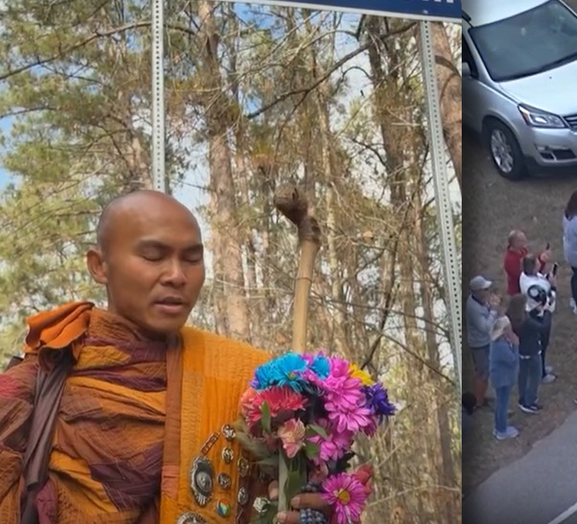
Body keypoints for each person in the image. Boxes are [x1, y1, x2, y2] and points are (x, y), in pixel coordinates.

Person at [0, 190, 339, 523]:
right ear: (99, 265)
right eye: (153, 256)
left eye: (192, 259)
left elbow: (266, 503)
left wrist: (305, 504)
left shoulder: (243, 378)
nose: (177, 275)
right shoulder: (43, 376)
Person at [507, 295, 548, 415]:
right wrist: (546, 314)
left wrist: (536, 309)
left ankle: (522, 398)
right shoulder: (527, 322)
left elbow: (528, 315)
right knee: (536, 375)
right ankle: (530, 401)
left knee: (523, 375)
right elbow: (543, 328)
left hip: (521, 350)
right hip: (533, 350)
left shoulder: (512, 317)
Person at [466, 275, 502, 409]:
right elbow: (485, 328)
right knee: (483, 373)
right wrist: (493, 310)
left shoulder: (480, 300)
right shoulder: (473, 308)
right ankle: (478, 402)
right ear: (478, 291)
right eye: (485, 289)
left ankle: (480, 397)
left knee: (483, 371)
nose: (488, 291)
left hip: (485, 342)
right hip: (479, 345)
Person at [520, 255, 557, 384]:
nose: (540, 265)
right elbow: (547, 300)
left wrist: (547, 279)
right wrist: (553, 287)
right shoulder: (532, 288)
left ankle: (541, 367)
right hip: (539, 316)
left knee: (543, 345)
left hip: (542, 313)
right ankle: (541, 373)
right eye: (537, 263)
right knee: (541, 345)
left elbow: (541, 281)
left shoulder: (528, 275)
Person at [487, 316, 520, 441]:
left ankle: (498, 427)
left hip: (500, 377)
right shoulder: (500, 345)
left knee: (500, 403)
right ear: (504, 330)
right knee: (503, 404)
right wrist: (516, 345)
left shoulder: (499, 341)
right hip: (503, 379)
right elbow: (512, 360)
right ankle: (502, 430)